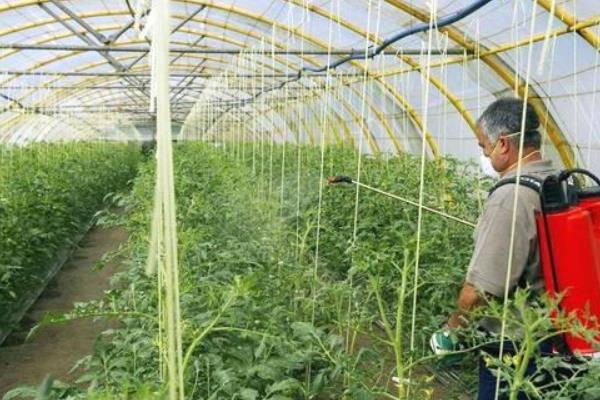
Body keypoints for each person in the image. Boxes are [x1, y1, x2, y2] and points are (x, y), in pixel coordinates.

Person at [430, 97, 558, 399]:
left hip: (514, 350)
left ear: (503, 144)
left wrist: (452, 332)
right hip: (552, 338)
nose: (484, 155)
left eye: (482, 146)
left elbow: (479, 291)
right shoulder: (555, 181)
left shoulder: (511, 197)